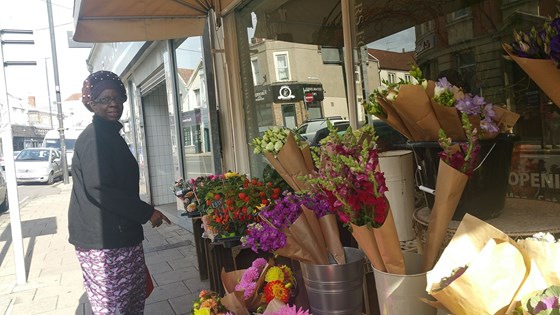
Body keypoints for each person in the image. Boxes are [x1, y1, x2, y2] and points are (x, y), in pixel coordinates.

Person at [68, 70, 170, 314]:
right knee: (115, 306)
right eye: (104, 99)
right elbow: (100, 188)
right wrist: (147, 212)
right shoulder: (94, 138)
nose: (113, 104)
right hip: (103, 240)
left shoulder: (110, 133)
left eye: (117, 98)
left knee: (133, 297)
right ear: (91, 103)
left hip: (121, 233)